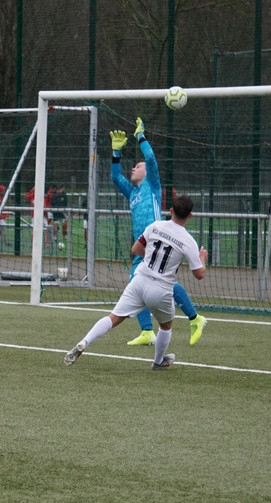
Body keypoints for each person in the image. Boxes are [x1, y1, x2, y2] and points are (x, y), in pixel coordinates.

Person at [64, 194, 206, 370]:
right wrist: (202, 258)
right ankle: (158, 362)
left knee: (113, 317)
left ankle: (85, 341)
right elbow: (199, 274)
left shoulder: (155, 226)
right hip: (161, 289)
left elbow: (135, 249)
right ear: (190, 215)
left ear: (171, 211)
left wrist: (152, 254)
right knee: (166, 325)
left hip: (139, 280)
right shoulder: (188, 241)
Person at [111, 117, 206, 347]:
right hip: (143, 244)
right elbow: (115, 177)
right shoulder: (132, 193)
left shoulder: (152, 185)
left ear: (147, 172)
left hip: (157, 241)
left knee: (148, 281)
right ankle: (151, 330)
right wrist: (115, 153)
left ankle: (191, 319)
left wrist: (141, 137)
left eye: (138, 166)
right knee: (143, 281)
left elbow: (151, 159)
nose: (134, 168)